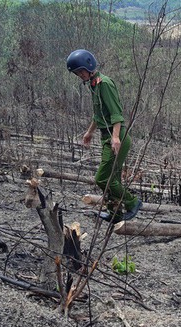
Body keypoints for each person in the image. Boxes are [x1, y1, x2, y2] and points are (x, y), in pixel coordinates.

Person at [66, 49, 141, 223]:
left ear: (89, 66)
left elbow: (116, 113)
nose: (80, 75)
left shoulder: (105, 83)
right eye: (77, 73)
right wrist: (89, 132)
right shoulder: (94, 85)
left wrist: (115, 138)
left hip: (117, 136)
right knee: (112, 178)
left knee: (102, 178)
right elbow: (98, 115)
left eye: (81, 71)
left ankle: (133, 202)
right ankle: (115, 213)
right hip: (106, 135)